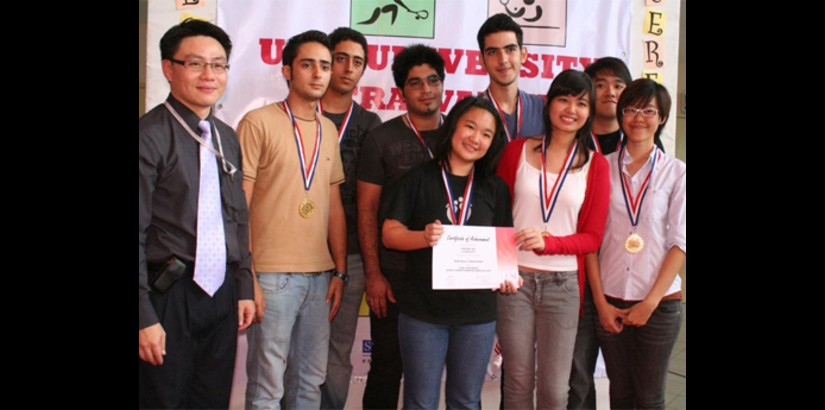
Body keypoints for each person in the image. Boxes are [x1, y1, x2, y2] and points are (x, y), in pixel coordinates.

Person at [138, 18, 255, 409]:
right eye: (196, 64)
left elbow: (236, 217)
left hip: (220, 294)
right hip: (166, 295)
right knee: (163, 399)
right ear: (169, 69)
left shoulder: (226, 136)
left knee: (211, 399)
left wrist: (243, 287)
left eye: (218, 64)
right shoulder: (149, 135)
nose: (210, 75)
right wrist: (143, 316)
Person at [382, 96, 519, 409]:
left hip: (476, 316)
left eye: (486, 134)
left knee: (466, 401)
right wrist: (423, 237)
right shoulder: (417, 178)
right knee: (420, 402)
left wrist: (508, 277)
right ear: (453, 126)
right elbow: (389, 235)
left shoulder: (494, 188)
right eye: (470, 126)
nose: (476, 138)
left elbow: (503, 250)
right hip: (423, 313)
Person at [238, 30, 347, 410]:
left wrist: (341, 271)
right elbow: (239, 204)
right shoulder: (258, 122)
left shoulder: (329, 130)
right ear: (287, 70)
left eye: (324, 66)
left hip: (320, 277)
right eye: (307, 65)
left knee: (309, 384)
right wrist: (246, 273)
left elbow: (334, 205)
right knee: (267, 388)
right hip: (270, 275)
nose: (318, 74)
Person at [496, 69, 610, 410]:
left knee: (555, 390)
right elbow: (498, 218)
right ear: (549, 104)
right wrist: (500, 272)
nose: (571, 109)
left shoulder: (596, 165)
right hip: (514, 282)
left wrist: (551, 243)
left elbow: (592, 238)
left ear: (589, 112)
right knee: (516, 383)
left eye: (581, 103)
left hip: (563, 286)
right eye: (563, 99)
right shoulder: (516, 151)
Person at [356, 44, 446, 409]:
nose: (426, 89)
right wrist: (374, 274)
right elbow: (366, 209)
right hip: (394, 277)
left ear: (443, 84)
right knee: (387, 366)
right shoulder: (382, 138)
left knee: (434, 371)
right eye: (415, 83)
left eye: (433, 80)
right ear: (401, 91)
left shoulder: (462, 133)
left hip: (447, 275)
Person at [587, 78, 685, 410]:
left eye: (648, 110)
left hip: (659, 303)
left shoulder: (677, 173)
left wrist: (650, 302)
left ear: (661, 118)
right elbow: (591, 240)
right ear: (620, 114)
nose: (638, 117)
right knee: (620, 393)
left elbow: (680, 243)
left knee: (648, 397)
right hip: (611, 299)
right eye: (630, 109)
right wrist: (600, 304)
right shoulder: (601, 167)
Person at [318, 27, 382, 410]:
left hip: (353, 255)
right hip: (298, 253)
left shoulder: (370, 123)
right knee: (294, 347)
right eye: (340, 58)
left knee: (339, 348)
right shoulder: (299, 113)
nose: (347, 68)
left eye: (357, 62)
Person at [477, 13, 545, 142]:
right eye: (492, 52)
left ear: (523, 54)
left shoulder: (542, 109)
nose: (503, 60)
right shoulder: (470, 113)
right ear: (482, 60)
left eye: (510, 50)